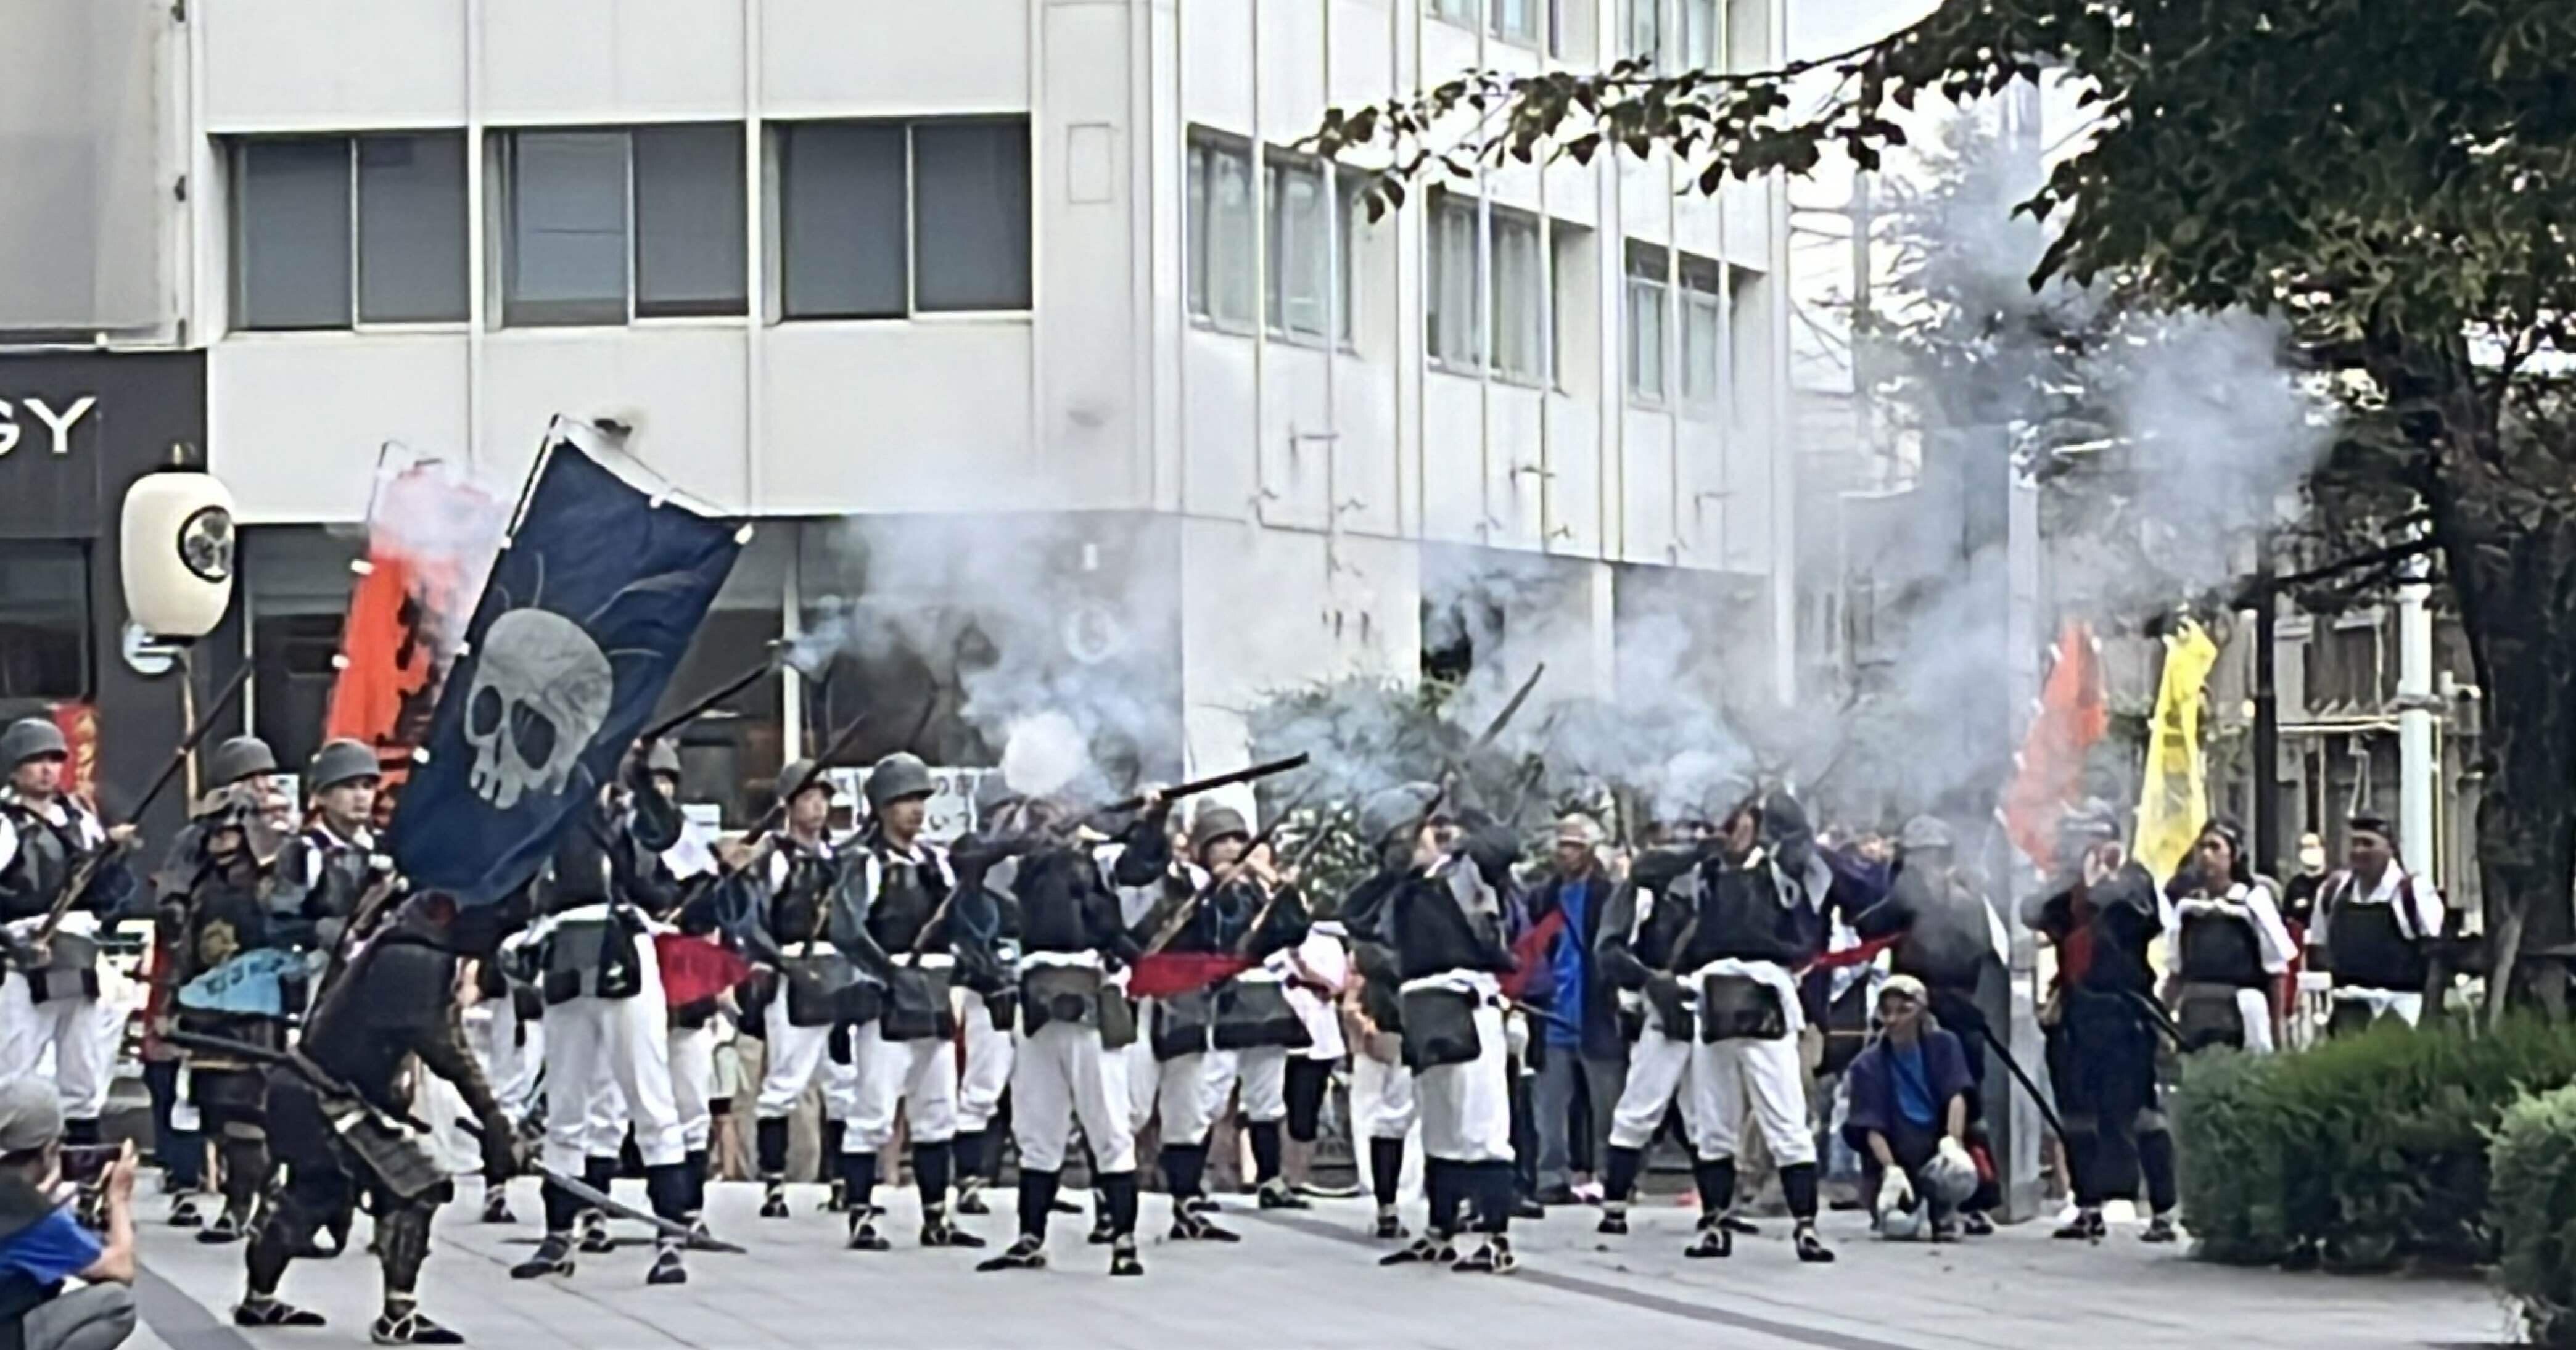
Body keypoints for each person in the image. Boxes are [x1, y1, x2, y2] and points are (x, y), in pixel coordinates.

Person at [234, 892, 522, 1344]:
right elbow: (439, 1042)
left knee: (314, 1194)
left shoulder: (399, 944)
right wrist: (491, 1116)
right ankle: (398, 1315)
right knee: (416, 1185)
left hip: (314, 1089)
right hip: (322, 1094)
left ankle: (259, 1296)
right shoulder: (411, 956)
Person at [501, 747, 696, 1286]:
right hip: (565, 952)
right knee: (565, 1106)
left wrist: (639, 778)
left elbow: (664, 842)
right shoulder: (548, 806)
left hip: (625, 950)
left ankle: (669, 1237)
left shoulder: (636, 809)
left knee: (651, 1101)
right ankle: (558, 1234)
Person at [969, 788, 1162, 1277]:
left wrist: (1153, 818)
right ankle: (1030, 1236)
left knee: (1109, 1127)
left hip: (1089, 996)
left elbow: (1142, 865)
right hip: (1036, 1001)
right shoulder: (1017, 864)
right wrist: (1025, 834)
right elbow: (971, 859)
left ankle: (1122, 1240)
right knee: (1037, 1128)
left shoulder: (1099, 858)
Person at [1345, 783, 1523, 1275]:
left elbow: (1504, 845)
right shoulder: (1396, 889)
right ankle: (1440, 1231)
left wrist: (1459, 824)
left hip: (1469, 1003)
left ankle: (1495, 1237)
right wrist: (1396, 863)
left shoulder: (1469, 871)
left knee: (1482, 1127)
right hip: (1423, 1007)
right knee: (1440, 1128)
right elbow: (1353, 913)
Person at [1665, 789, 1836, 1264]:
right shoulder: (1702, 871)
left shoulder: (1783, 868)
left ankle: (1805, 1225)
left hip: (1765, 996)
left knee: (1784, 1119)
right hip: (1712, 997)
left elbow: (1803, 843)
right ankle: (1716, 1221)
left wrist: (1764, 790)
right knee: (1713, 1123)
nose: (1728, 828)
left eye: (1737, 818)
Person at [826, 752, 986, 1252]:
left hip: (934, 992)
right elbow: (847, 930)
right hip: (888, 997)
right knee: (873, 1108)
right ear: (881, 806)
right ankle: (860, 1214)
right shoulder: (863, 861)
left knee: (937, 1109)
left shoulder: (933, 862)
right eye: (904, 800)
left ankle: (936, 1215)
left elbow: (959, 924)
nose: (915, 810)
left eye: (920, 799)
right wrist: (891, 974)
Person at [2025, 801, 2178, 1243]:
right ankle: (2086, 1203)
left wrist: (2099, 885)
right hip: (2076, 1008)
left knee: (2141, 1115)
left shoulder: (2133, 879)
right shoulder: (2068, 886)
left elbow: (2141, 917)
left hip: (2123, 1008)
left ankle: (2164, 1209)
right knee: (2077, 1113)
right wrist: (2070, 881)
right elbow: (2032, 912)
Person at [1848, 815, 2007, 1232]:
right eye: (1917, 857)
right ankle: (1895, 1187)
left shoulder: (1966, 900)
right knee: (1889, 1104)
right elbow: (1865, 925)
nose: (1924, 864)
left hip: (1953, 1010)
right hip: (1906, 1011)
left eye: (1930, 856)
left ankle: (1973, 1198)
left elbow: (1978, 953)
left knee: (1964, 1106)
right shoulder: (1903, 899)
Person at [718, 761, 860, 1222]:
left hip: (834, 972)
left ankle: (842, 1181)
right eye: (808, 797)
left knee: (842, 1084)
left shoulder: (837, 858)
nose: (817, 806)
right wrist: (781, 965)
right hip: (791, 972)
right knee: (783, 1082)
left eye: (823, 798)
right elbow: (752, 921)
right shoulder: (774, 858)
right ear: (789, 804)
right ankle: (774, 1183)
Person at [0, 721, 138, 1153]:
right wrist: (11, 945)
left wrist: (115, 860)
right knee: (16, 1058)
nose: (46, 770)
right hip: (24, 946)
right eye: (35, 760)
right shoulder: (5, 824)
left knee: (90, 1043)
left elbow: (105, 897)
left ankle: (82, 1139)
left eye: (53, 760)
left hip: (77, 944)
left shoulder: (79, 819)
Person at [1521, 814, 1627, 1208]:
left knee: (1608, 1108)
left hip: (1598, 1013)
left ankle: (1609, 1175)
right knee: (1549, 1109)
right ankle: (1552, 1177)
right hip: (1552, 1016)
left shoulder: (1609, 896)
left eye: (1575, 846)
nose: (1566, 853)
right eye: (1562, 845)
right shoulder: (1543, 897)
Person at [0, 1076, 137, 1350]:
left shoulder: (22, 1203)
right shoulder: (37, 1218)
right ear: (51, 1147)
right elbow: (120, 1268)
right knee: (116, 1303)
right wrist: (118, 1199)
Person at [1840, 976, 1980, 1241]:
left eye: (1903, 1011)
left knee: (1957, 1173)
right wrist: (1891, 1169)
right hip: (1895, 1151)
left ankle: (1946, 1211)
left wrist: (1953, 1143)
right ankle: (1895, 1205)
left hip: (1933, 1145)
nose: (1894, 1020)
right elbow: (1871, 1126)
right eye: (1887, 1012)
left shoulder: (1945, 1046)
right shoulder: (1867, 1065)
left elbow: (1956, 1095)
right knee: (1898, 1226)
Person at [2168, 819, 2296, 1053]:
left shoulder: (2254, 903)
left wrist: (2279, 1035)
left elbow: (2276, 972)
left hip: (2241, 1015)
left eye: (2215, 847)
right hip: (2195, 1015)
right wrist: (2164, 1022)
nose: (2206, 855)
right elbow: (2175, 974)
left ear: (2233, 855)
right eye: (2201, 847)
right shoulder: (2188, 907)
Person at [2310, 814, 2445, 1032]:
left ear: (2390, 849)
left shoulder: (2412, 892)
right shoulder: (2332, 892)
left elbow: (2436, 954)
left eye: (2368, 844)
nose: (2359, 851)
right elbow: (2319, 947)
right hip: (2349, 1008)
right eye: (2355, 844)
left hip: (2404, 1009)